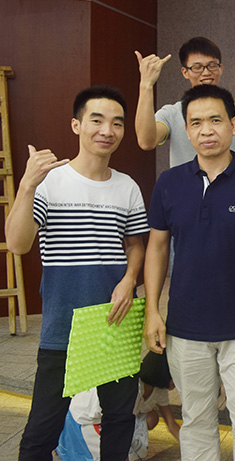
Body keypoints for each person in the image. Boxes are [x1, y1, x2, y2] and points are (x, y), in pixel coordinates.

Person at [6, 86, 149, 460]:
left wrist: (129, 279)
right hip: (63, 326)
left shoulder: (127, 187)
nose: (107, 130)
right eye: (96, 120)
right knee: (41, 431)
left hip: (114, 323)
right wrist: (27, 184)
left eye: (116, 123)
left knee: (119, 421)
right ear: (76, 125)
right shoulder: (49, 182)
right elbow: (18, 243)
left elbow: (136, 244)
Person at [143, 84, 235, 460]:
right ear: (186, 130)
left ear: (233, 126)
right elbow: (157, 248)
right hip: (185, 327)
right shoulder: (169, 183)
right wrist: (153, 311)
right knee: (196, 419)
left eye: (216, 120)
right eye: (197, 123)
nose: (206, 130)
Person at [134, 36, 235, 167]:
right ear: (185, 72)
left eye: (212, 66)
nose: (206, 72)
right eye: (197, 67)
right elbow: (146, 142)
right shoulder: (171, 113)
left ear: (220, 68)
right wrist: (146, 85)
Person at [56, 351, 181, 460]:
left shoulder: (159, 391)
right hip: (85, 420)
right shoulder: (132, 389)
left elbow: (171, 424)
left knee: (151, 417)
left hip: (113, 420)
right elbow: (114, 423)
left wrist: (188, 446)